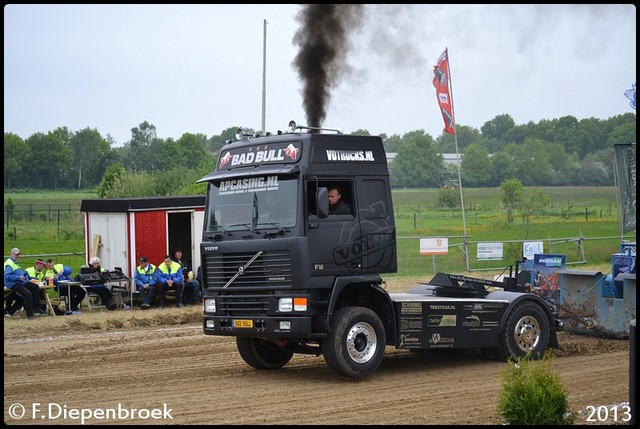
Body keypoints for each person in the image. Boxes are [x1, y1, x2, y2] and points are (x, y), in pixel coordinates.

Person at [3, 248, 46, 319]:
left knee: (35, 287)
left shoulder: (15, 263)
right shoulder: (9, 263)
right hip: (14, 283)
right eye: (16, 254)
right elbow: (7, 276)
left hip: (21, 281)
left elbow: (20, 273)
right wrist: (19, 278)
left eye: (19, 254)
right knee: (27, 293)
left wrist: (30, 278)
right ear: (11, 254)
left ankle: (37, 309)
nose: (18, 256)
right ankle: (30, 315)